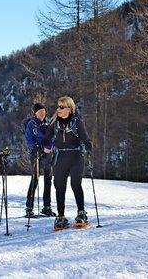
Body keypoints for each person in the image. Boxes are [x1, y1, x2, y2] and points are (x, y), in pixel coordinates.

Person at [41, 96, 92, 229]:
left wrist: (88, 144)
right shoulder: (54, 123)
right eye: (58, 107)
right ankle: (60, 216)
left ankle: (81, 213)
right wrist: (39, 146)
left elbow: (85, 137)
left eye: (61, 107)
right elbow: (47, 138)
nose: (58, 109)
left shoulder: (77, 122)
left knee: (75, 184)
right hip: (60, 157)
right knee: (59, 186)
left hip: (76, 157)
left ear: (69, 108)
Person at [24, 103, 56, 218]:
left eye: (44, 111)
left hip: (48, 154)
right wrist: (41, 148)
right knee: (35, 179)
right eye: (40, 111)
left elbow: (53, 136)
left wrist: (50, 147)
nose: (42, 113)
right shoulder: (31, 124)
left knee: (48, 179)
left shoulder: (49, 122)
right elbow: (28, 140)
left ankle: (47, 207)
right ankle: (29, 208)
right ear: (35, 113)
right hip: (36, 154)